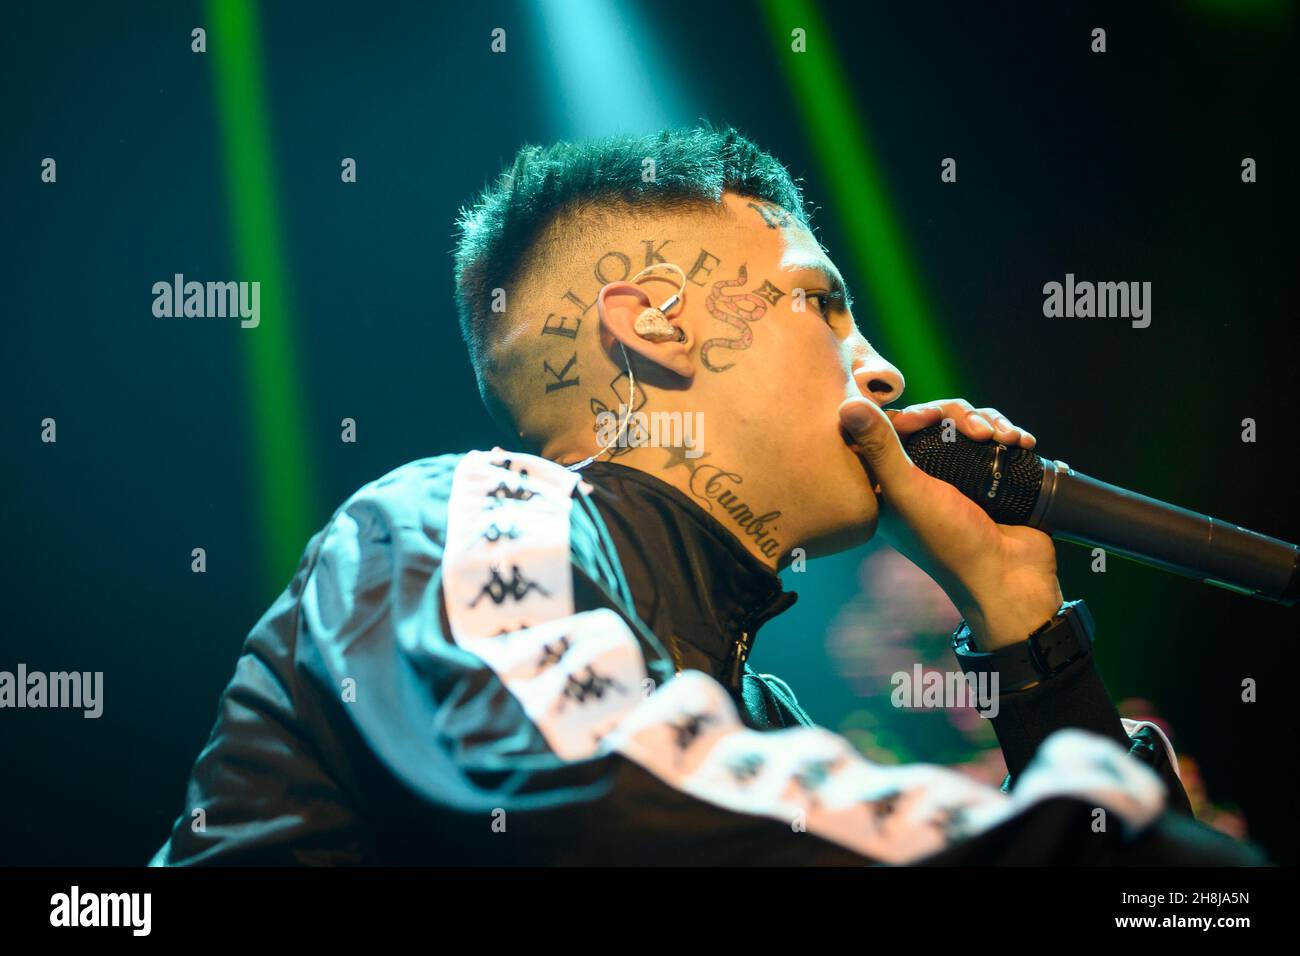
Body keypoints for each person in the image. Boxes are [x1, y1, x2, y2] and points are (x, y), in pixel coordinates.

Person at [150, 126, 1263, 865]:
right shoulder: (470, 513)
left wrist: (1023, 626)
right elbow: (604, 789)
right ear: (653, 324)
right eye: (824, 306)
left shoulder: (758, 714)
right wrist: (1104, 829)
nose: (879, 370)